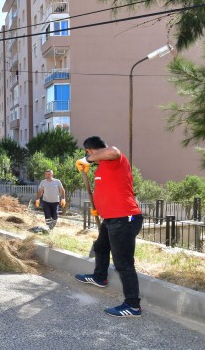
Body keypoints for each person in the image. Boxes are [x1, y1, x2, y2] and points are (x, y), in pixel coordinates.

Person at [74, 136, 144, 318]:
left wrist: (87, 160)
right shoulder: (103, 166)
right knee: (100, 247)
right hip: (112, 218)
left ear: (90, 151)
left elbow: (113, 150)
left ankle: (133, 306)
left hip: (124, 218)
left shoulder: (114, 159)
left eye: (88, 153)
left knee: (123, 263)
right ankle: (100, 277)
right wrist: (100, 207)